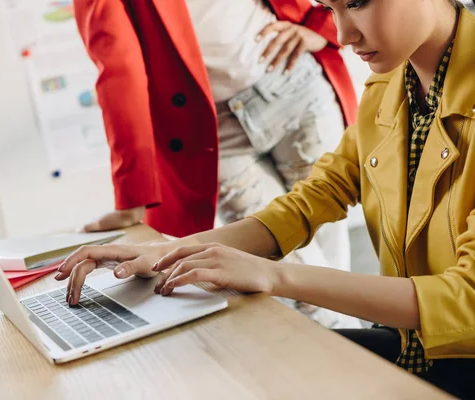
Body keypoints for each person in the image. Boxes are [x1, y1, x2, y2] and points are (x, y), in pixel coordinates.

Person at [59, 0, 475, 396]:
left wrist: (275, 276)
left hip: (460, 362)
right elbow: (313, 198)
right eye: (329, 9)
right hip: (414, 348)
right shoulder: (391, 82)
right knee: (227, 367)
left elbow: (466, 303)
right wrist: (167, 252)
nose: (343, 35)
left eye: (358, 3)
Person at [74, 0, 359, 328]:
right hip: (213, 136)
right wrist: (132, 197)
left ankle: (359, 353)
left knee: (329, 245)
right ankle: (356, 356)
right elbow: (120, 73)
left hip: (294, 90)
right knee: (283, 260)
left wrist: (323, 27)